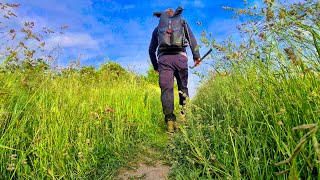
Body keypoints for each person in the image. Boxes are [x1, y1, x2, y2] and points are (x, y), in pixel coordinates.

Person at [149, 7, 201, 133]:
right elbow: (192, 40)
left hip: (164, 60)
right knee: (183, 87)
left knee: (166, 90)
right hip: (180, 59)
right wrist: (196, 56)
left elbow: (151, 49)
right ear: (174, 16)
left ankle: (170, 123)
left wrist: (156, 66)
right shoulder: (182, 23)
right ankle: (184, 117)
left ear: (164, 17)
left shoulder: (158, 29)